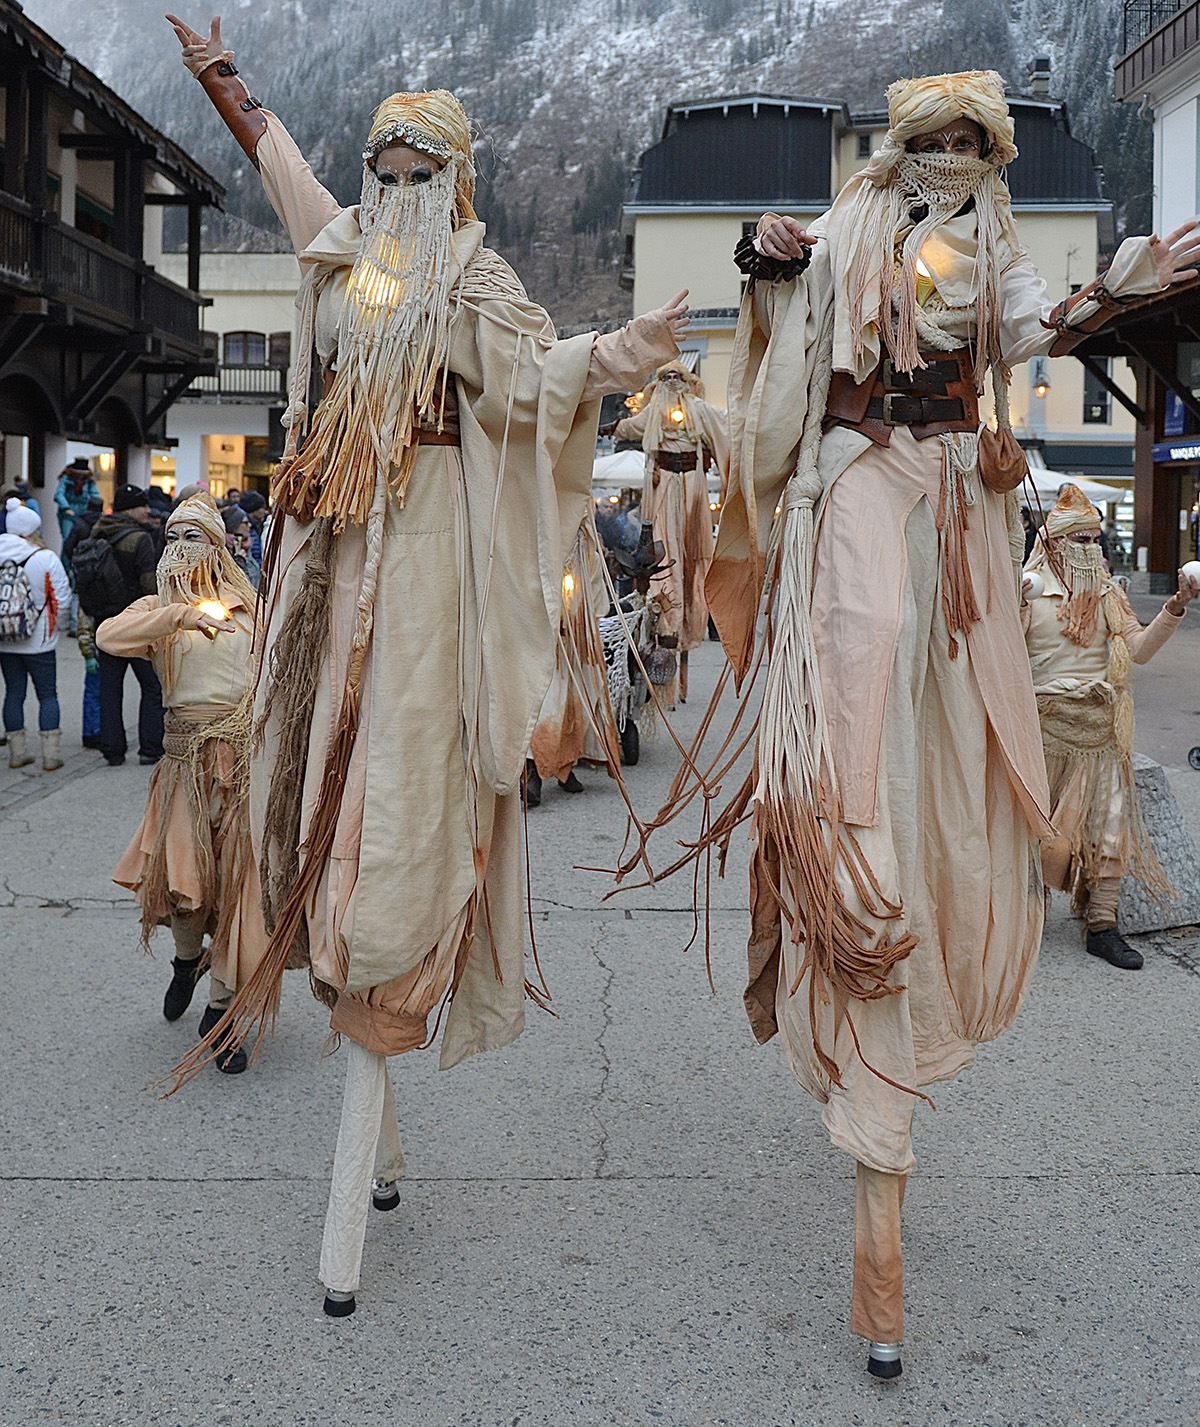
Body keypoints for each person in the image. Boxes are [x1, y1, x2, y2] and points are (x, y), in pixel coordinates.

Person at [639, 70, 1200, 1376]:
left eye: (972, 143)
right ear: (897, 150)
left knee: (955, 735)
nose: (952, 158)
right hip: (853, 476)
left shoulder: (994, 238)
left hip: (958, 493)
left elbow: (1032, 324)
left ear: (989, 156)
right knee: (857, 682)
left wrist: (1118, 282)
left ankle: (923, 910)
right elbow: (787, 285)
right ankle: (845, 868)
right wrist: (769, 254)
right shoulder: (856, 220)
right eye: (932, 142)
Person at [166, 12, 687, 1315]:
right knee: (309, 786)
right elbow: (289, 179)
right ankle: (353, 1026)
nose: (394, 192)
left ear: (456, 185)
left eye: (419, 174)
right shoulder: (345, 257)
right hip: (330, 571)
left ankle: (377, 1023)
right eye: (381, 170)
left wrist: (624, 351)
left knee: (400, 799)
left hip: (432, 585)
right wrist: (225, 85)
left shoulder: (478, 283)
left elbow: (540, 382)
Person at [98, 494, 266, 1073]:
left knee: (240, 889)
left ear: (219, 545)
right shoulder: (158, 610)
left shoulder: (250, 609)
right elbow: (108, 638)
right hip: (184, 767)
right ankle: (186, 961)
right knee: (187, 886)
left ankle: (222, 1013)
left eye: (193, 538)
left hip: (242, 769)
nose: (179, 548)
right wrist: (180, 615)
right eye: (172, 537)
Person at [1022, 484, 1198, 968]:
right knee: (1035, 832)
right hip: (1043, 732)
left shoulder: (1109, 595)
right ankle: (1024, 920)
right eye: (1080, 541)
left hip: (1102, 733)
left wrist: (1174, 607)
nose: (1092, 550)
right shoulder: (1027, 593)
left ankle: (1102, 926)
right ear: (1055, 544)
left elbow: (1138, 650)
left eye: (1096, 540)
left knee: (1108, 832)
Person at [608, 361, 728, 702]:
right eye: (666, 377)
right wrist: (603, 426)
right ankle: (666, 627)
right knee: (666, 554)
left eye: (677, 376)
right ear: (659, 383)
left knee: (694, 558)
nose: (672, 381)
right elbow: (628, 427)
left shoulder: (698, 410)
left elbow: (727, 424)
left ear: (687, 381)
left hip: (692, 489)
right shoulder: (653, 413)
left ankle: (691, 625)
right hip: (664, 489)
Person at [83, 485, 165, 767]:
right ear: (130, 508)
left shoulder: (96, 531)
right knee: (153, 686)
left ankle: (113, 750)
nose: (147, 511)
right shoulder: (139, 539)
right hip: (135, 625)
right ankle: (150, 748)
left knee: (110, 689)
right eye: (142, 506)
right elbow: (148, 585)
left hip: (104, 624)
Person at [0, 498, 70, 770]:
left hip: (4, 639)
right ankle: (51, 756)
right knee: (47, 695)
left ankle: (17, 754)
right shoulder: (44, 557)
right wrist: (56, 628)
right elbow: (61, 598)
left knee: (13, 693)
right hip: (40, 639)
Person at [54, 458, 101, 547]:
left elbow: (95, 495)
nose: (80, 478)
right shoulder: (65, 479)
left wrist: (96, 507)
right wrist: (66, 508)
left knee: (84, 538)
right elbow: (59, 494)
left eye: (82, 476)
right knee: (67, 539)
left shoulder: (89, 481)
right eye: (78, 475)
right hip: (68, 515)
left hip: (84, 514)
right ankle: (66, 560)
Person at [222, 505, 260, 588]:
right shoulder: (224, 550)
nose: (249, 525)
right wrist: (239, 561)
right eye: (245, 522)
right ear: (234, 527)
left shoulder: (246, 546)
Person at [236, 489, 267, 564]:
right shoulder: (244, 527)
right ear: (254, 508)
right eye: (262, 507)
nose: (265, 511)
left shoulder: (254, 525)